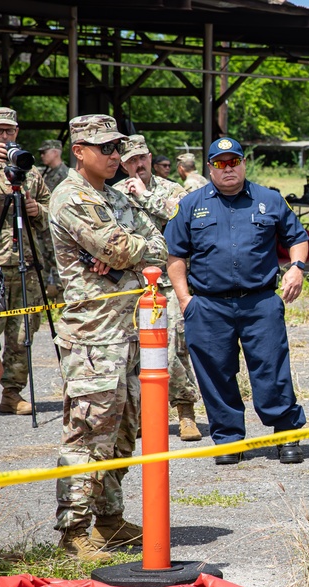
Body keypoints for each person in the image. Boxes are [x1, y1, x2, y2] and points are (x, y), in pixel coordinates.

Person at [49, 113, 168, 561]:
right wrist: (122, 251)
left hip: (129, 329)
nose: (116, 156)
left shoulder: (115, 197)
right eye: (105, 148)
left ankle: (109, 519)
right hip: (93, 336)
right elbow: (120, 249)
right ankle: (74, 529)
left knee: (122, 431)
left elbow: (160, 244)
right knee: (87, 432)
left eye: (117, 147)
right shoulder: (71, 197)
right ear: (79, 151)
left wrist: (123, 252)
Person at [165, 137, 308, 465]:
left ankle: (286, 433)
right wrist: (185, 299)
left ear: (243, 163)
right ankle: (228, 438)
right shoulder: (190, 205)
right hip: (209, 305)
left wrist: (297, 268)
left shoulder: (268, 199)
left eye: (234, 162)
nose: (228, 169)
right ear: (210, 168)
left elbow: (297, 238)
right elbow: (175, 255)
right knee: (215, 372)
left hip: (259, 302)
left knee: (272, 369)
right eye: (220, 163)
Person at [115, 134, 202, 442]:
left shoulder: (172, 189)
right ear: (122, 164)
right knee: (136, 350)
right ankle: (142, 414)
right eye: (131, 161)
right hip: (132, 282)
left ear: (150, 158)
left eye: (142, 158)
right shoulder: (114, 194)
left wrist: (146, 196)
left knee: (173, 347)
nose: (138, 165)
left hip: (169, 279)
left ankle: (185, 410)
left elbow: (184, 218)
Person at [0, 106, 52, 416]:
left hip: (27, 262)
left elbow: (52, 211)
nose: (5, 136)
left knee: (22, 334)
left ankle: (13, 393)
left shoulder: (29, 171)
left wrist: (36, 210)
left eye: (10, 131)